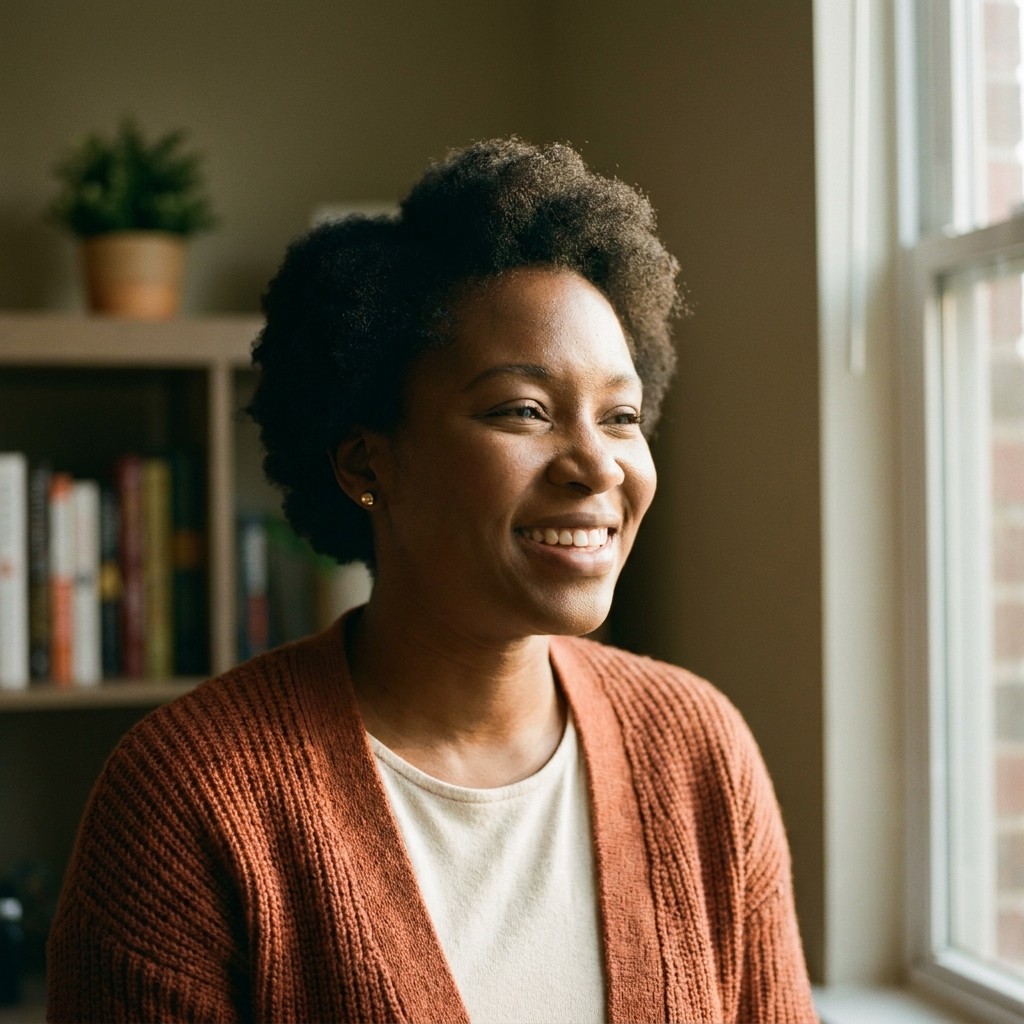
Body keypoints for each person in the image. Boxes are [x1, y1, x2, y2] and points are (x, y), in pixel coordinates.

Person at [47, 138, 818, 1023]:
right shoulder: (187, 798)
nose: (598, 465)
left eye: (621, 416)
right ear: (365, 462)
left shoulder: (697, 750)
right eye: (524, 410)